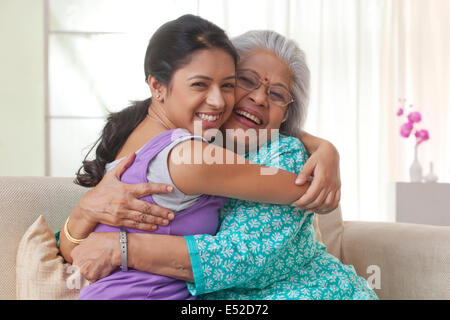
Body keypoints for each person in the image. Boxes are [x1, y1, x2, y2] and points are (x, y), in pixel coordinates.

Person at [61, 20, 377, 299]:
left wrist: (321, 148)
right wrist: (84, 211)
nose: (258, 97)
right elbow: (77, 249)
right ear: (159, 86)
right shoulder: (186, 151)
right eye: (244, 81)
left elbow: (241, 257)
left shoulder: (281, 154)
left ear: (286, 115)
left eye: (277, 94)